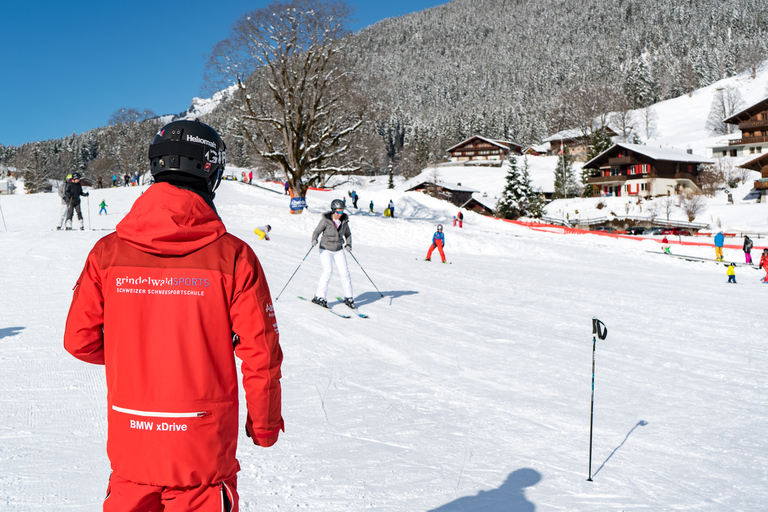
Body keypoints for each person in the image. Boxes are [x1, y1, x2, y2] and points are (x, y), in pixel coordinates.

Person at [63, 119, 283, 511]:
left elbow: (79, 340)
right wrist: (264, 425)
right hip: (202, 449)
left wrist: (135, 350)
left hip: (133, 441)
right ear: (211, 170)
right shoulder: (233, 257)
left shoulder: (107, 253)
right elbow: (260, 352)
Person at [310, 199, 354, 309]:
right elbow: (316, 232)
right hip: (325, 249)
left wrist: (348, 244)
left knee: (345, 273)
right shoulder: (326, 221)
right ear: (333, 210)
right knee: (328, 271)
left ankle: (348, 297)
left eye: (342, 211)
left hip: (338, 249)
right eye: (338, 212)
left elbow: (348, 234)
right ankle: (319, 296)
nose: (340, 214)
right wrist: (314, 239)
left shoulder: (344, 221)